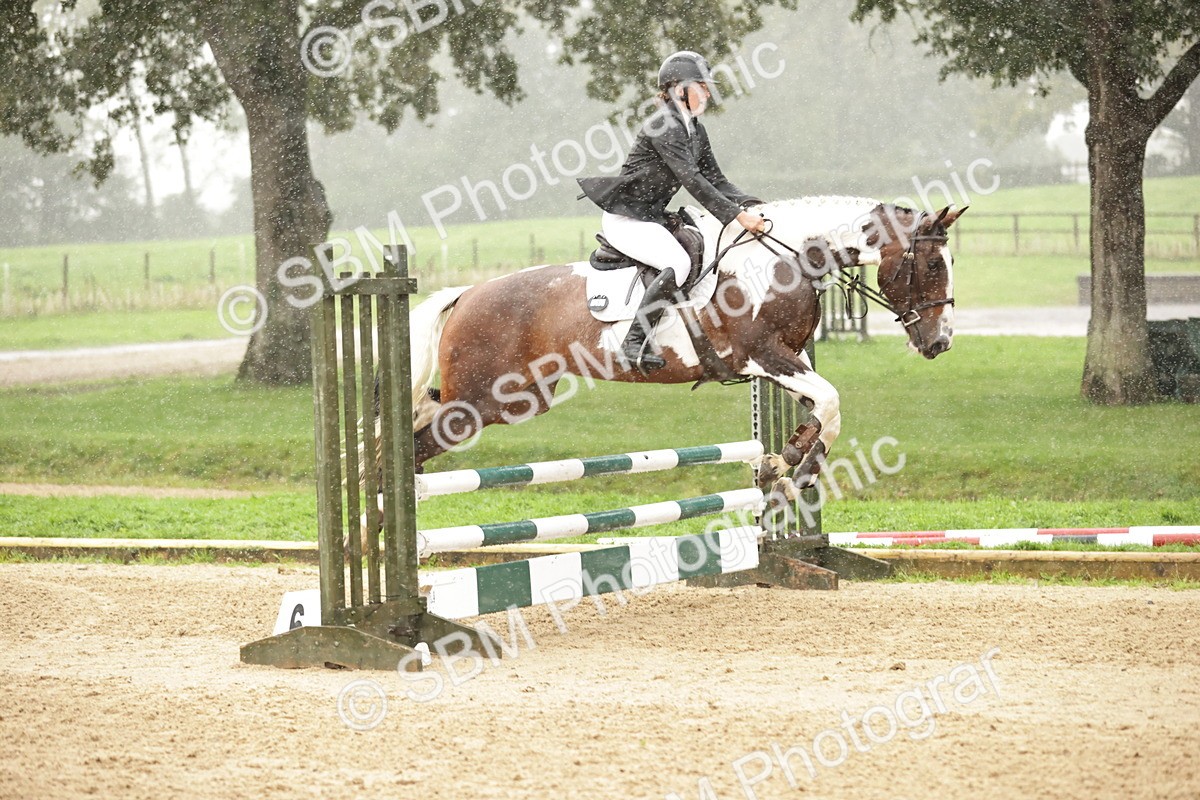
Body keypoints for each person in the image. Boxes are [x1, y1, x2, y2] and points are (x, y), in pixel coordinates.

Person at [578, 50, 765, 374]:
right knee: (676, 263)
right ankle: (633, 343)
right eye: (701, 86)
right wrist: (736, 217)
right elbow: (691, 180)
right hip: (627, 218)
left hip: (651, 216)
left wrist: (754, 205)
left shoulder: (695, 130)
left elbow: (716, 179)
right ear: (679, 88)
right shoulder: (663, 125)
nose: (707, 92)